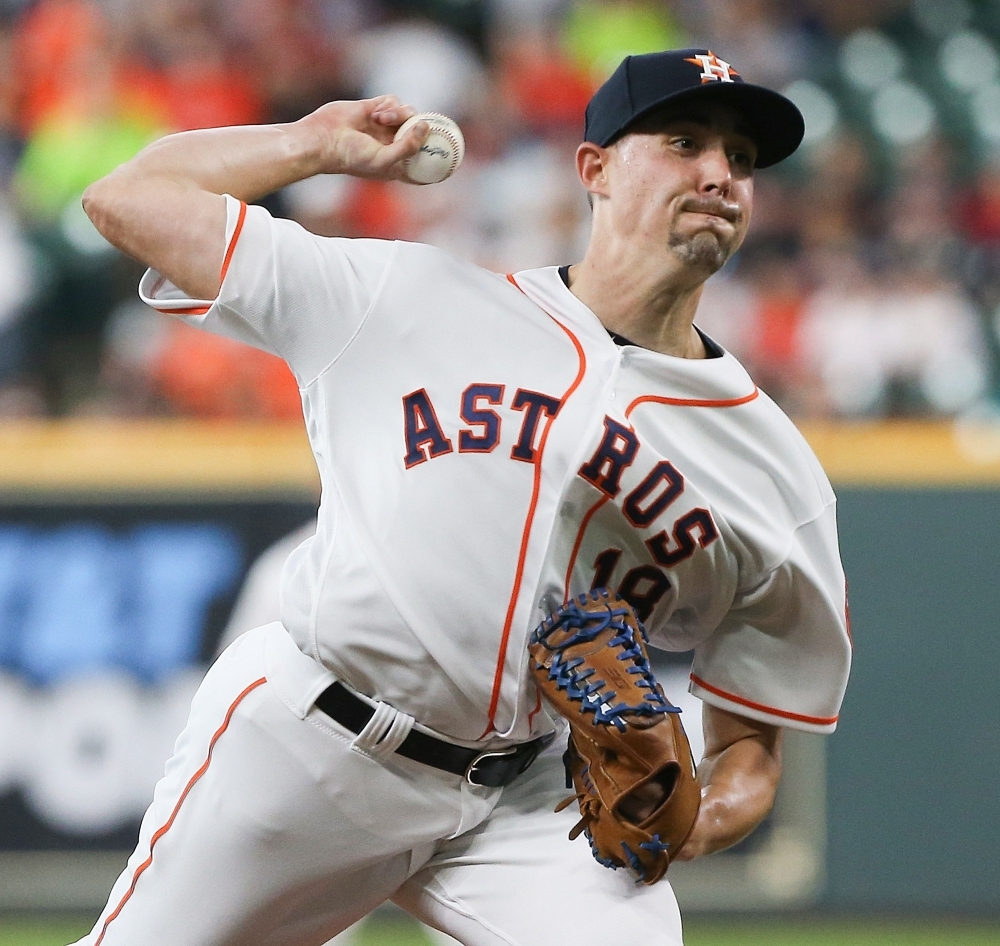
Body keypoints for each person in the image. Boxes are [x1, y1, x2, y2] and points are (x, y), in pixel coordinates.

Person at [77, 49, 851, 946]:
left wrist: (694, 820)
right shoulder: (407, 298)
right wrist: (309, 143)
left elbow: (751, 749)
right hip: (309, 744)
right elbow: (125, 200)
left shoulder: (774, 473)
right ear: (594, 169)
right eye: (685, 142)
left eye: (743, 161)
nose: (720, 174)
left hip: (531, 801)